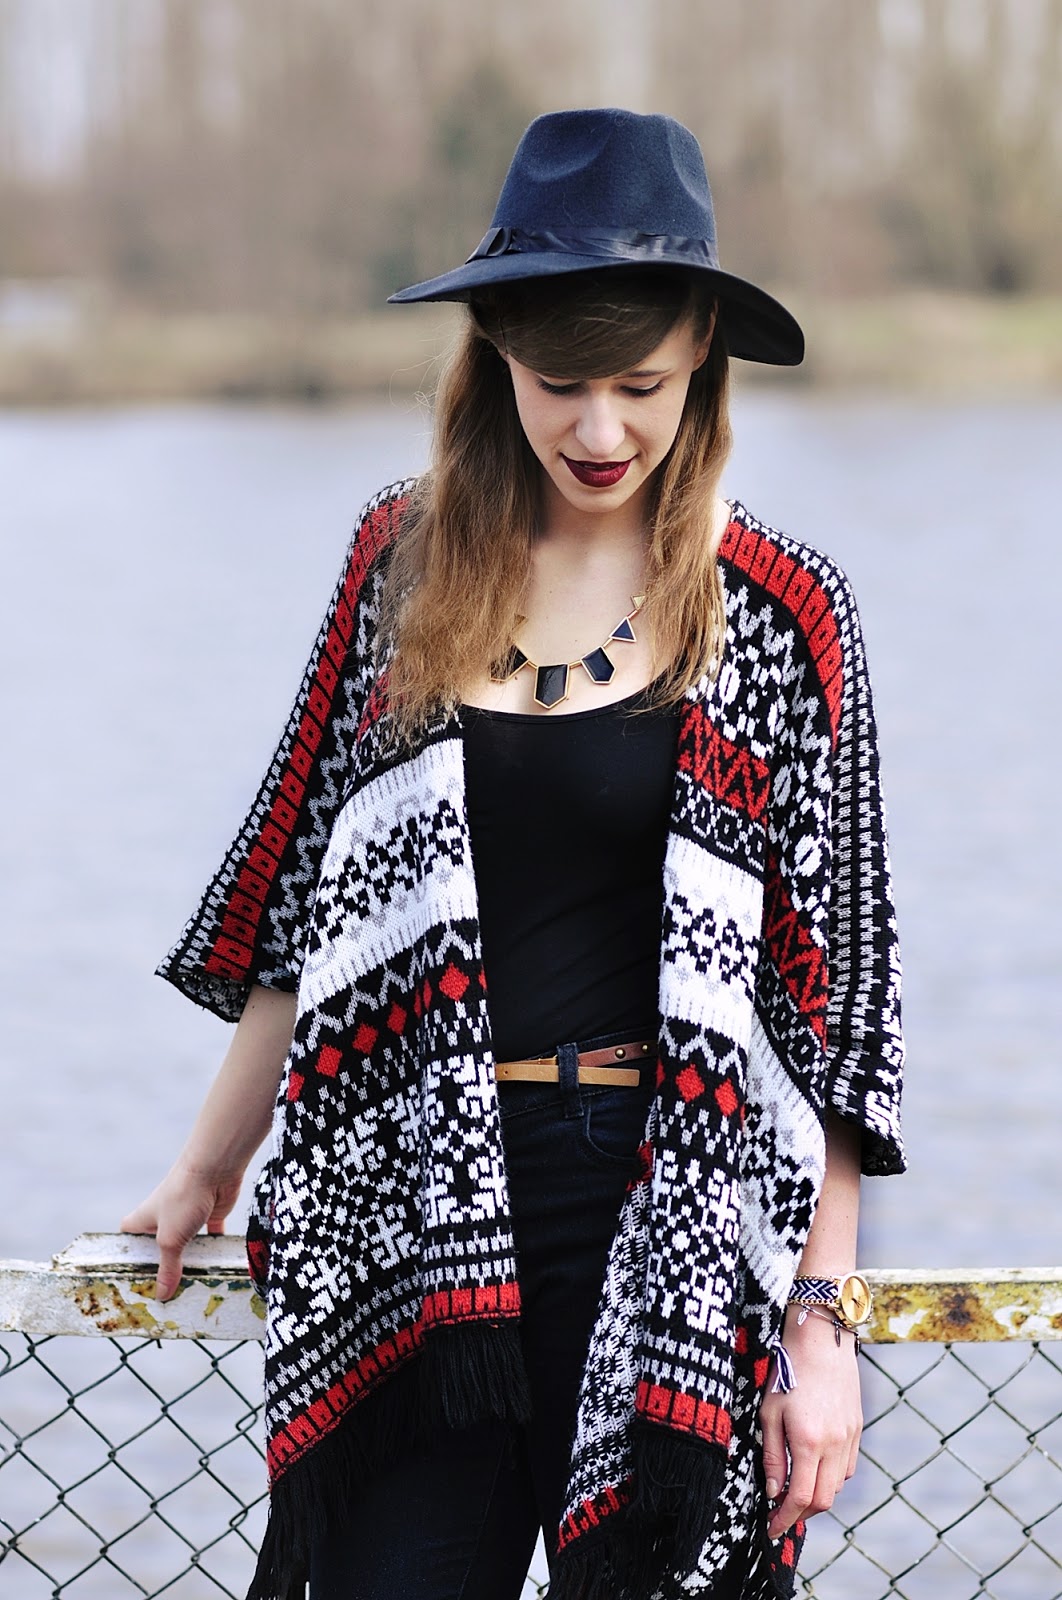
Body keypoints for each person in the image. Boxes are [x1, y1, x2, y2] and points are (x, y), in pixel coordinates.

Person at [122, 108, 905, 1600]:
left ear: (703, 360)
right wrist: (207, 1162)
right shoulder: (401, 569)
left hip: (669, 1216)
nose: (600, 433)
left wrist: (820, 1321)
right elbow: (305, 901)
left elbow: (831, 1003)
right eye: (560, 385)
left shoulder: (782, 614)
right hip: (412, 1196)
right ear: (492, 356)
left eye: (639, 385)